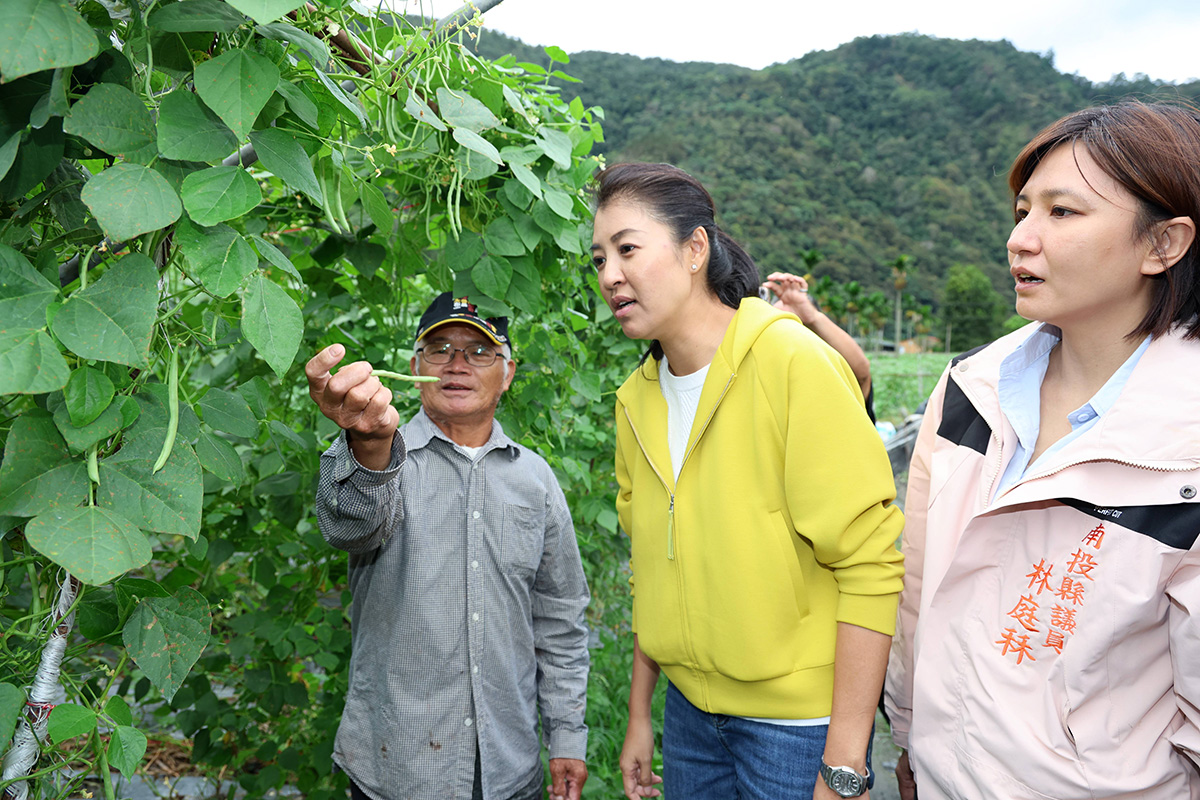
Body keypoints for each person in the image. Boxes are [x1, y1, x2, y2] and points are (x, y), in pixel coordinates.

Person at [884, 100, 1200, 799]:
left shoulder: (1187, 445)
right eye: (1023, 210)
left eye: (1063, 213)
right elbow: (915, 592)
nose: (1021, 239)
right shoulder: (971, 390)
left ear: (1163, 244)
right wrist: (906, 736)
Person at [591, 162, 905, 800]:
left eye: (627, 249)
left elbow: (872, 565)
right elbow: (654, 569)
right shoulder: (636, 402)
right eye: (598, 259)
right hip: (689, 720)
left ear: (694, 249)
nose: (609, 276)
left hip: (796, 729)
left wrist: (845, 763)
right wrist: (638, 716)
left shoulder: (792, 364)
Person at [305, 292, 591, 800]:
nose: (458, 364)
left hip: (509, 766)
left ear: (508, 373)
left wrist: (567, 736)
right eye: (440, 349)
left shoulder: (535, 479)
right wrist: (368, 446)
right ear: (416, 367)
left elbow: (560, 618)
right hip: (396, 767)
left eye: (480, 352)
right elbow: (350, 527)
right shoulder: (376, 453)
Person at [763, 272, 876, 422]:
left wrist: (812, 317)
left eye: (799, 323)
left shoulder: (833, 380)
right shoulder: (765, 383)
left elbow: (861, 373)